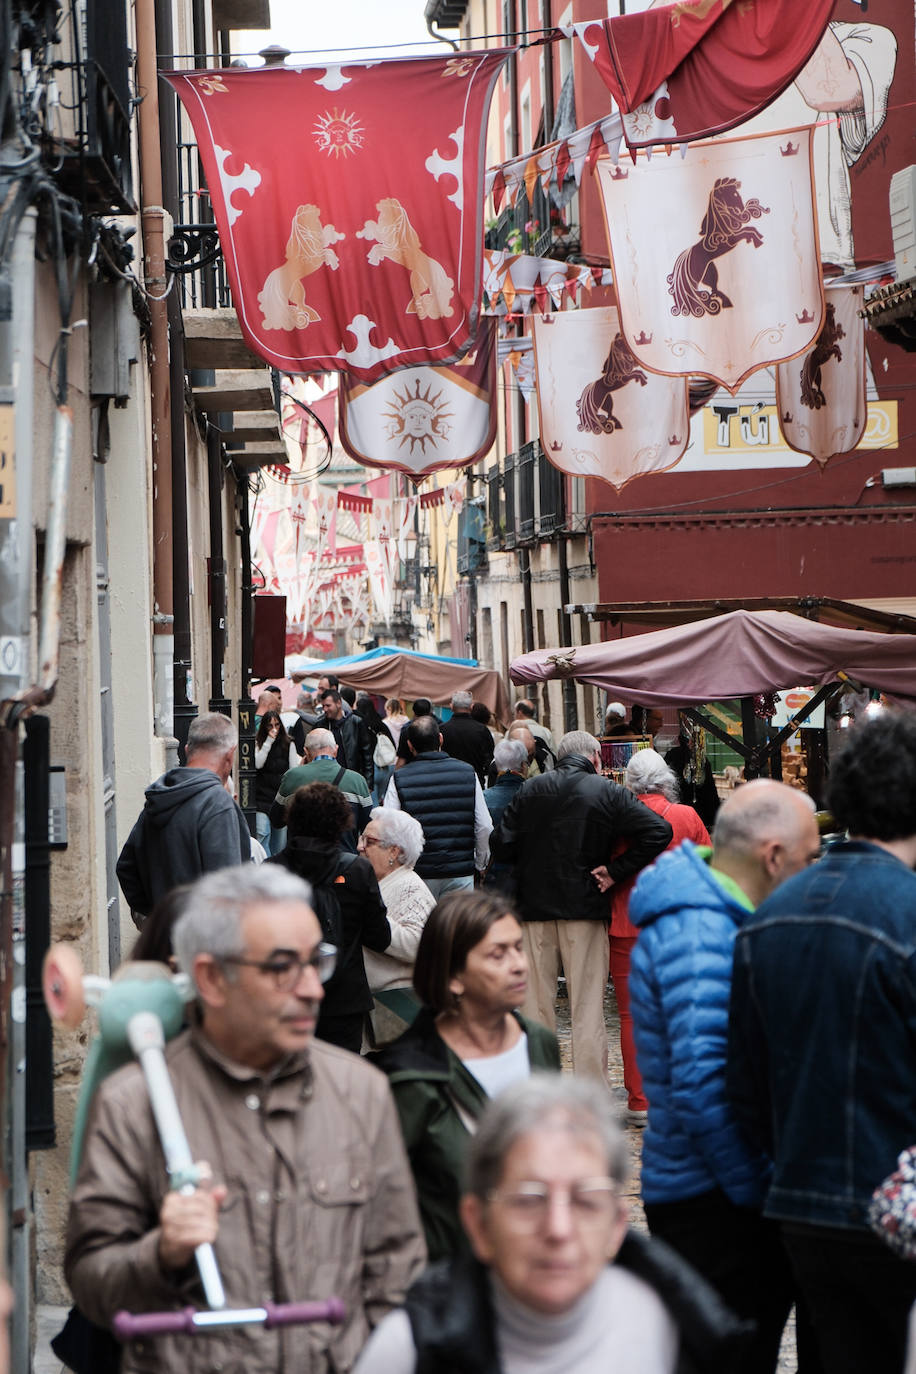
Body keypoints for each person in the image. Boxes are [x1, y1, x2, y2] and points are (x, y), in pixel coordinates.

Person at [65, 864, 426, 1374]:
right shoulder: (134, 1104)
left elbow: (398, 1269)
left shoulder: (361, 1092)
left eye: (315, 962)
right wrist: (161, 1252)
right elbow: (91, 1282)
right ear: (211, 978)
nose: (312, 990)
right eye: (283, 967)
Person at [728, 713, 916, 1374]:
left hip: (802, 1203)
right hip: (895, 1208)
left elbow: (743, 1087)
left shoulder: (767, 917)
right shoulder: (908, 913)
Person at [355, 1075, 752, 1374]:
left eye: (585, 1200)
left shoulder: (678, 1332)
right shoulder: (409, 1349)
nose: (558, 1229)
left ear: (617, 1226)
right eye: (529, 1200)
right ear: (478, 1224)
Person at [630, 780, 821, 1374]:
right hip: (712, 1199)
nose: (816, 872)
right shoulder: (702, 932)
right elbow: (704, 1089)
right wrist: (761, 1191)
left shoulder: (718, 915)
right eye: (811, 858)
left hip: (707, 1189)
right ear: (773, 856)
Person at [372, 890, 560, 1261]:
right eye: (497, 954)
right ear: (453, 977)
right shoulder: (410, 1076)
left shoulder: (539, 1044)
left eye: (518, 948)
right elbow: (384, 1204)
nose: (519, 964)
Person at [490, 731, 672, 1082]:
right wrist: (616, 871)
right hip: (586, 908)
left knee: (535, 1008)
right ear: (595, 758)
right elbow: (658, 830)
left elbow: (501, 844)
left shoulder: (530, 789)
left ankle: (540, 1093)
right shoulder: (606, 790)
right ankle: (591, 1100)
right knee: (587, 1008)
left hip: (532, 909)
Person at [609, 750, 711, 1125]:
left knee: (632, 1018)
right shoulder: (686, 816)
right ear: (667, 780)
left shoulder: (616, 818)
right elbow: (708, 868)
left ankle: (640, 1101)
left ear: (629, 782)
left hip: (627, 928)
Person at [271, 781, 390, 1053]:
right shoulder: (358, 869)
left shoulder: (271, 872)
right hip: (344, 1001)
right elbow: (380, 938)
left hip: (287, 997)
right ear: (340, 822)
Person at [116, 712, 250, 920]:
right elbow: (228, 894)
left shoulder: (160, 796)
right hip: (203, 944)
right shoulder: (217, 804)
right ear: (230, 755)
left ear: (187, 750)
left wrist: (158, 918)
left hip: (166, 941)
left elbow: (126, 867)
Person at [384, 715, 492, 899]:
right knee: (457, 927)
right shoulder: (467, 773)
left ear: (410, 745)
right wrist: (480, 864)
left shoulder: (399, 778)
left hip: (418, 872)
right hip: (459, 870)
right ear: (440, 739)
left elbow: (388, 826)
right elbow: (484, 825)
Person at [358, 807, 435, 1046]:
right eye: (361, 838)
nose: (360, 846)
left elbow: (419, 944)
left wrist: (373, 919)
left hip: (396, 1011)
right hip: (375, 1009)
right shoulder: (378, 881)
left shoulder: (410, 887)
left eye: (369, 841)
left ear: (394, 851)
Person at [269, 727, 372, 852]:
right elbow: (367, 826)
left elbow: (276, 820)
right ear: (336, 750)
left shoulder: (292, 777)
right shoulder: (357, 781)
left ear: (306, 752)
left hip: (301, 860)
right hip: (344, 860)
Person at [483, 738, 530, 896]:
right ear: (524, 766)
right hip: (528, 873)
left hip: (495, 874)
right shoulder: (534, 795)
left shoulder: (485, 798)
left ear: (496, 766)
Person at [664, 710, 721, 830]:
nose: (692, 743)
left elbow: (710, 794)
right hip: (684, 818)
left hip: (692, 819)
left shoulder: (703, 762)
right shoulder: (674, 757)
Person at [253, 708, 299, 856]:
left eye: (277, 725)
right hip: (262, 797)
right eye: (270, 725)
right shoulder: (259, 743)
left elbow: (293, 771)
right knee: (263, 834)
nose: (274, 729)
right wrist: (268, 742)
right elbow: (258, 764)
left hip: (281, 797)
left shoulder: (289, 743)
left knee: (279, 843)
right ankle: (265, 870)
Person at [315, 688, 375, 792]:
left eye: (328, 705)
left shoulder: (356, 722)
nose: (325, 709)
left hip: (352, 780)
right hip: (327, 783)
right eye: (323, 706)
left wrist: (368, 783)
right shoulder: (320, 725)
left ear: (338, 703)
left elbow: (367, 755)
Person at [440, 689, 495, 785]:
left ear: (451, 707)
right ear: (471, 707)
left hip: (448, 782)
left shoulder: (442, 730)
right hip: (474, 781)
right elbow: (489, 759)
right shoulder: (482, 730)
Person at [357, 693, 397, 801]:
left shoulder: (359, 726)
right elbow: (392, 744)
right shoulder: (381, 724)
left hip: (370, 770)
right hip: (385, 767)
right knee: (381, 800)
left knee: (372, 806)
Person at [514, 699, 556, 769]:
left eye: (514, 713)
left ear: (519, 712)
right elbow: (554, 755)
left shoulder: (512, 732)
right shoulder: (546, 732)